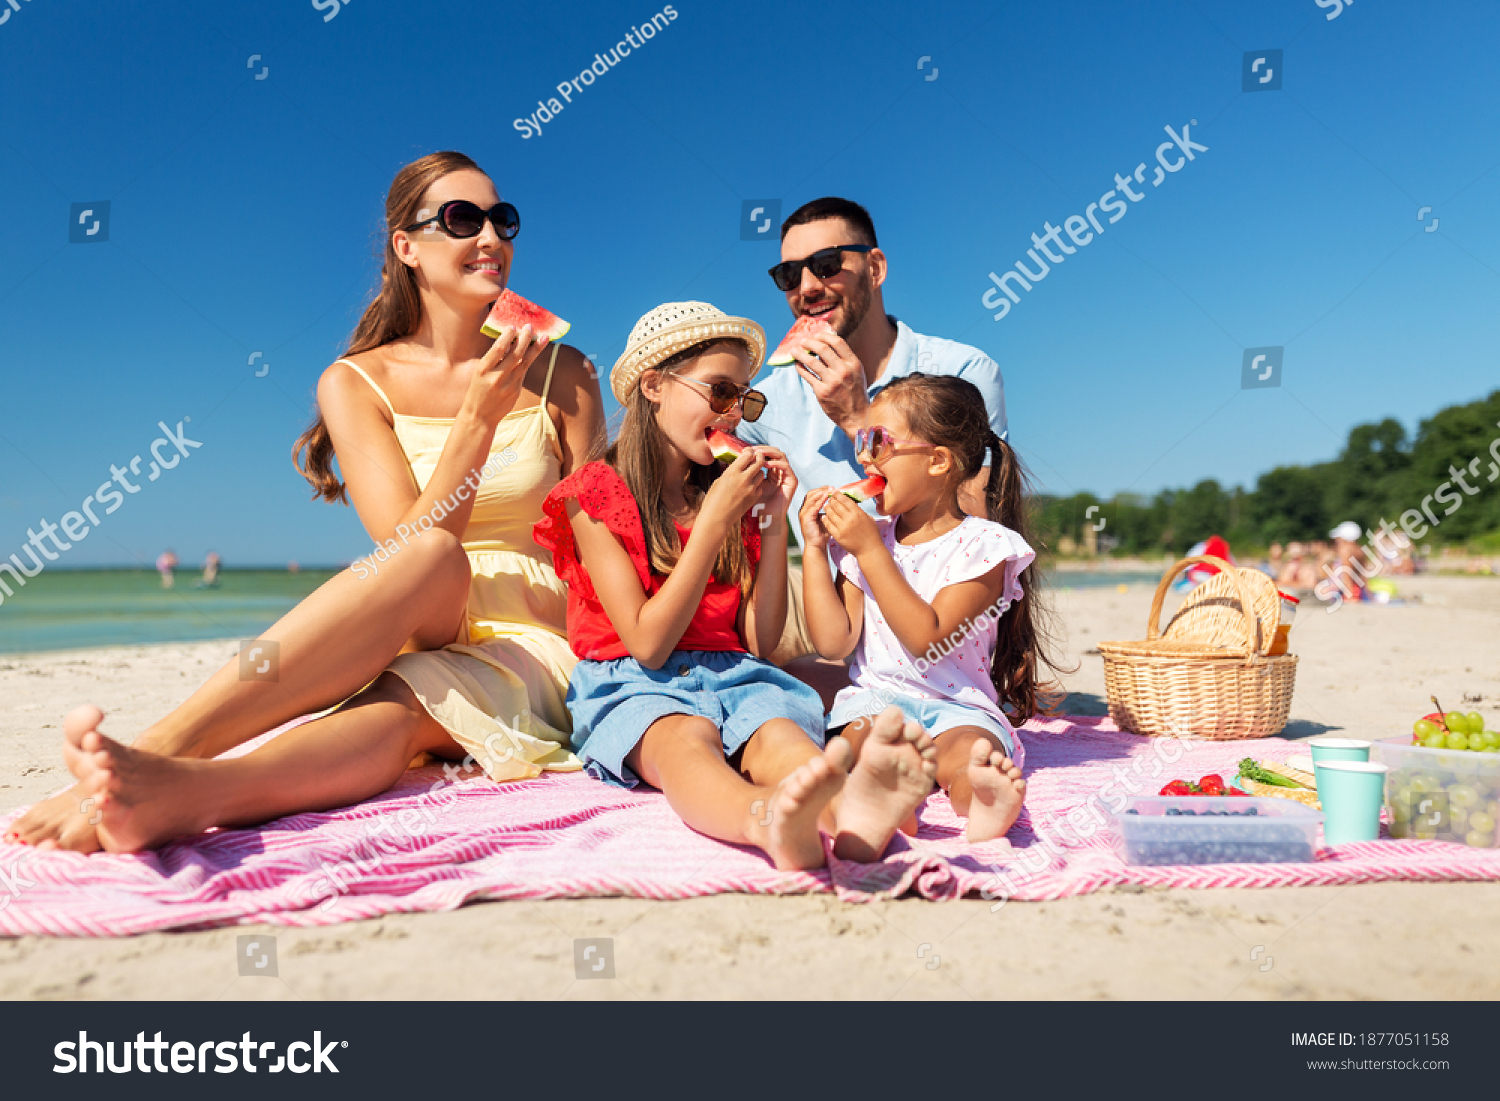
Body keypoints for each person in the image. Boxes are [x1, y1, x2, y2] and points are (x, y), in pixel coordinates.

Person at [6, 150, 604, 853]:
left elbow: (600, 535)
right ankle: (166, 743)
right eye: (461, 218)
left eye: (502, 220)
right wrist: (474, 426)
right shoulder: (353, 384)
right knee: (433, 550)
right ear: (406, 246)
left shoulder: (568, 371)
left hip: (539, 630)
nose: (491, 238)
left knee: (403, 709)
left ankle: (186, 793)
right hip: (420, 601)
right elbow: (404, 550)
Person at [534, 302, 937, 870]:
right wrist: (715, 523)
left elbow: (761, 640)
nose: (733, 415)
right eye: (719, 392)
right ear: (653, 385)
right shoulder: (594, 492)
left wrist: (773, 519)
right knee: (684, 747)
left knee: (782, 736)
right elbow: (648, 643)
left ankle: (855, 812)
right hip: (634, 681)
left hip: (735, 672)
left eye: (745, 399)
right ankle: (765, 822)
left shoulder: (731, 492)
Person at [735, 197, 1009, 688]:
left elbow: (973, 514)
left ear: (875, 267)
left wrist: (858, 417)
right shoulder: (766, 405)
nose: (807, 288)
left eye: (827, 265)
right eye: (788, 275)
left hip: (947, 647)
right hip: (838, 634)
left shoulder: (964, 371)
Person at [799, 374, 1062, 842]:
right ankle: (885, 804)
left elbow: (928, 639)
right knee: (851, 746)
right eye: (861, 440)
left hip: (957, 705)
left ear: (938, 460)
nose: (862, 456)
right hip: (874, 703)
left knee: (968, 757)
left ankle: (982, 804)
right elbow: (833, 641)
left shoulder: (983, 547)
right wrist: (817, 552)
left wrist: (870, 553)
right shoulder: (868, 542)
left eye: (878, 441)